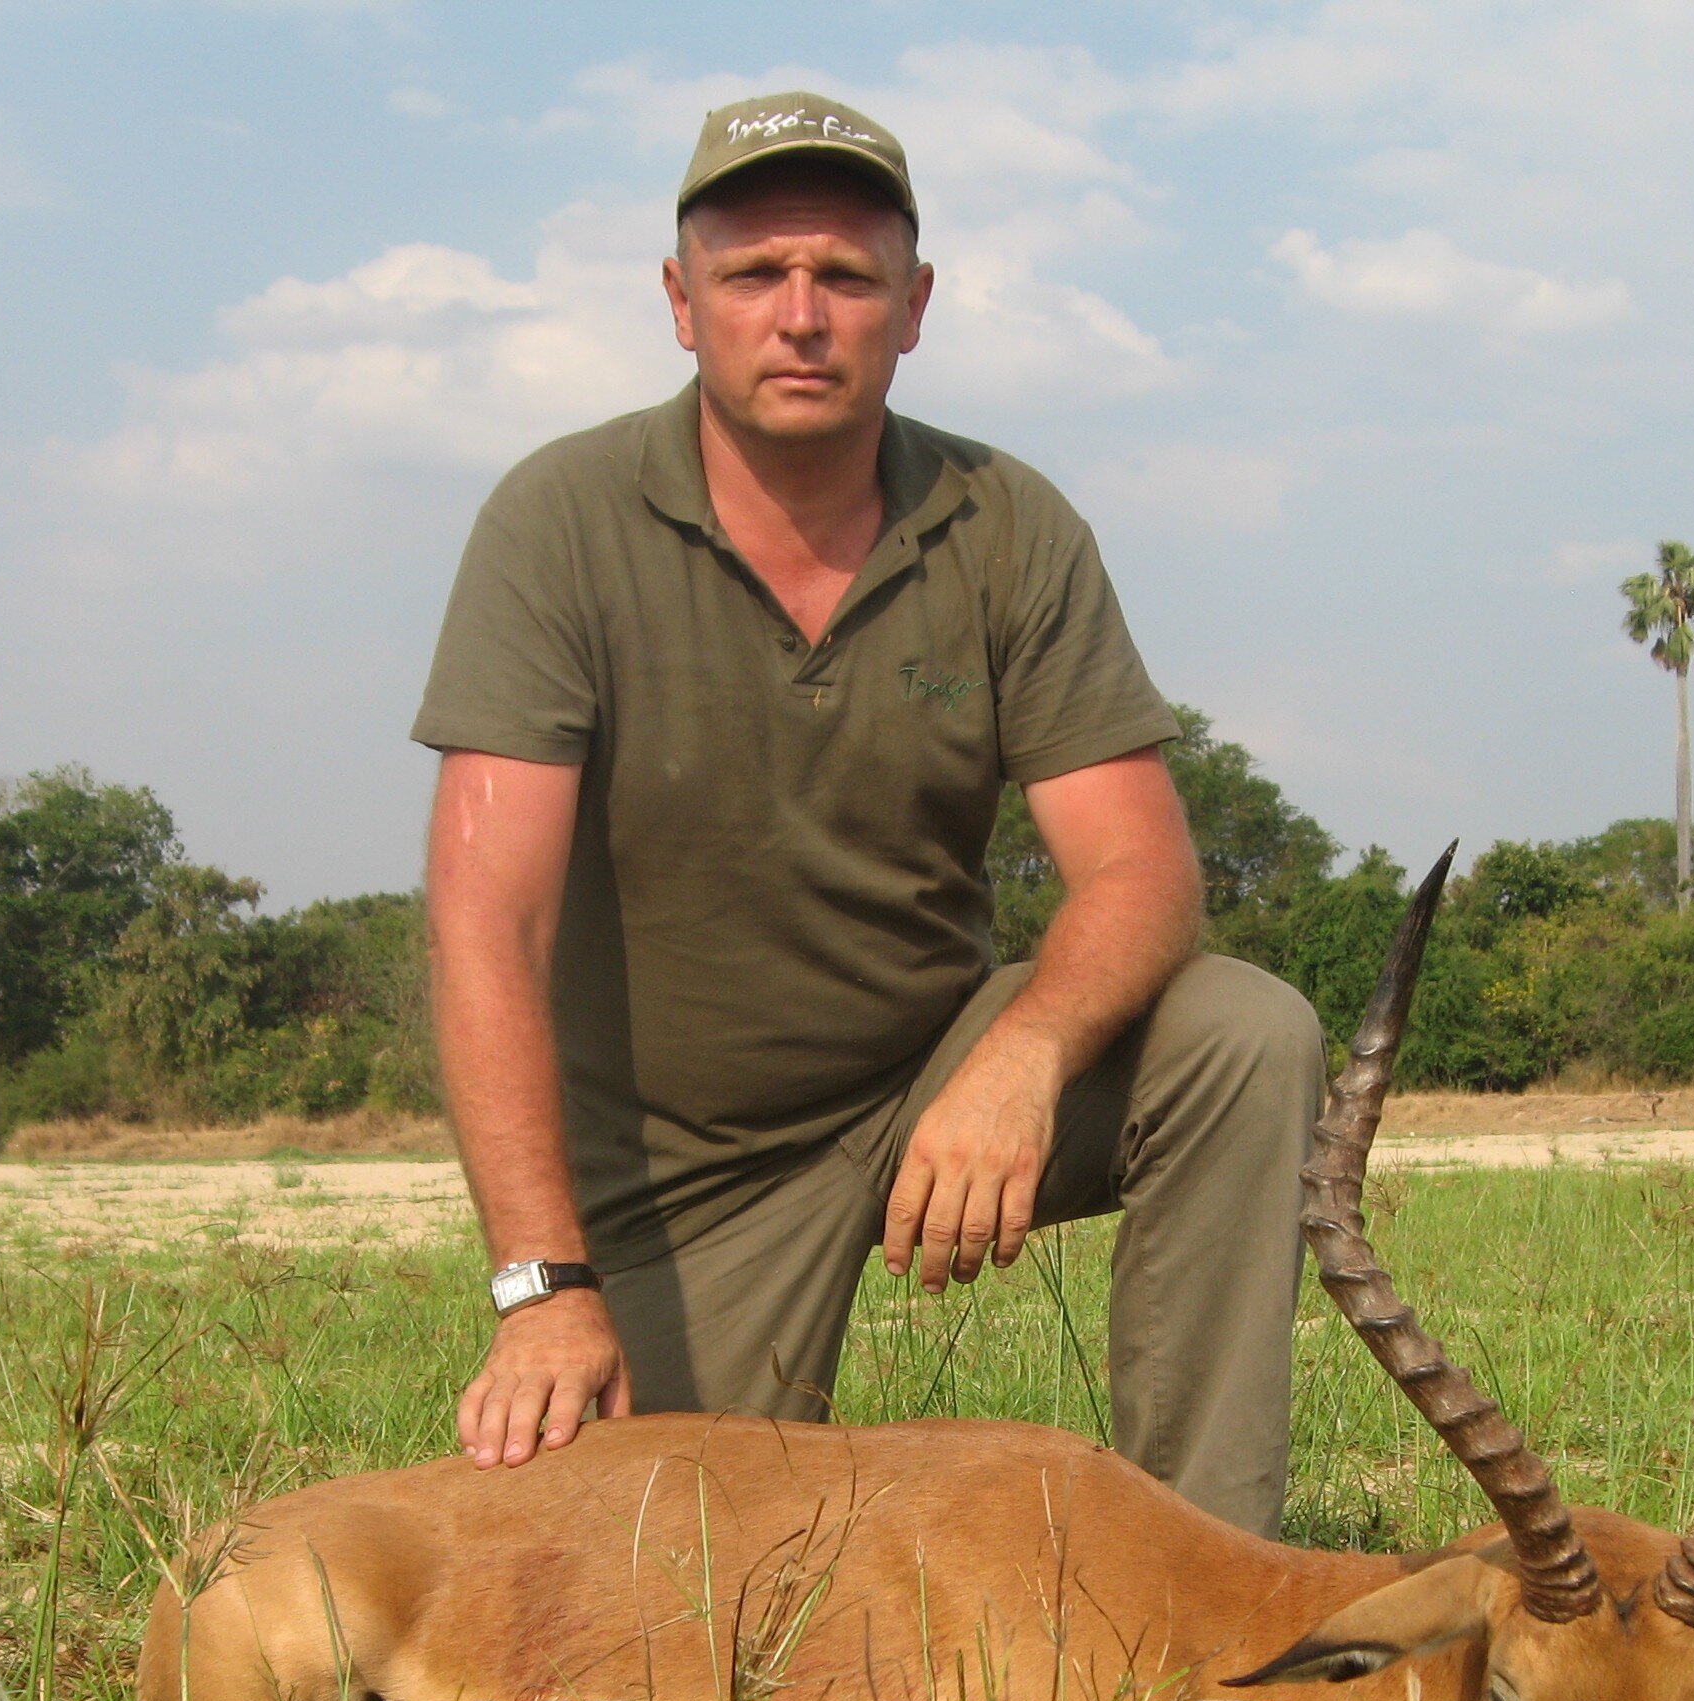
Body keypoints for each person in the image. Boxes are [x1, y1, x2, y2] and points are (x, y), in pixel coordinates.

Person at [410, 91, 1323, 1536]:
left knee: (1242, 1035)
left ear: (915, 306)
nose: (801, 316)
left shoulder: (1006, 520)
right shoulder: (560, 520)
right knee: (650, 1585)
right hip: (680, 1163)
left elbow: (1143, 869)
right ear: (678, 303)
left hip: (930, 1076)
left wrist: (1023, 1058)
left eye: (845, 277)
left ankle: (1200, 1578)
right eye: (753, 277)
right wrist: (544, 1289)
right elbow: (485, 923)